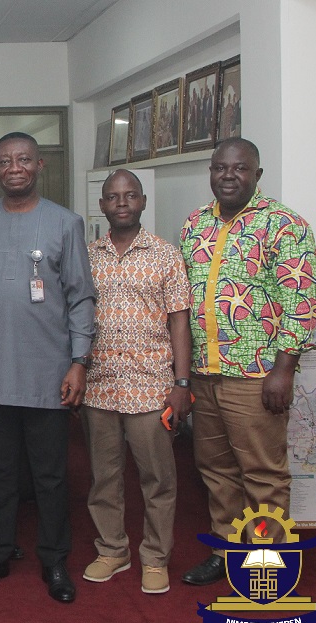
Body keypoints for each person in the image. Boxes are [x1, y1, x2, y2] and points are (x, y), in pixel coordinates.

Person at [0, 132, 96, 603]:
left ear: (39, 166)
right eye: (5, 161)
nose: (15, 167)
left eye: (24, 160)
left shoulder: (65, 223)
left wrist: (79, 362)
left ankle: (54, 560)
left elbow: (80, 297)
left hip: (47, 373)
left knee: (50, 475)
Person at [179, 138, 316, 586]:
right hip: (204, 373)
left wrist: (284, 368)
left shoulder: (284, 225)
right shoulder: (194, 225)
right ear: (210, 171)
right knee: (216, 471)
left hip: (256, 374)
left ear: (257, 174)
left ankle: (264, 566)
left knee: (262, 474)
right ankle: (226, 550)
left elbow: (301, 300)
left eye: (239, 168)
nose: (228, 175)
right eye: (220, 167)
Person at [82, 169, 191, 595]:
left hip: (151, 385)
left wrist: (181, 382)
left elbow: (180, 322)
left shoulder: (166, 255)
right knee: (103, 476)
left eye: (130, 196)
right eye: (113, 196)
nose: (122, 203)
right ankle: (112, 549)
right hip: (99, 383)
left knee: (157, 478)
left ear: (143, 202)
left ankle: (155, 556)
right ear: (103, 205)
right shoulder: (88, 255)